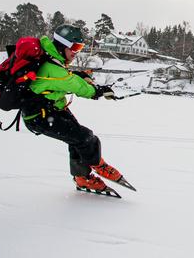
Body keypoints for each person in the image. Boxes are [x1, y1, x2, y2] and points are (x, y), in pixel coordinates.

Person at [21, 24, 129, 195]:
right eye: (74, 47)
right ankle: (97, 166)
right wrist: (99, 91)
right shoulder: (54, 69)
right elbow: (75, 85)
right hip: (40, 117)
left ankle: (82, 177)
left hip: (51, 109)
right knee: (86, 138)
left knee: (79, 139)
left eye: (80, 48)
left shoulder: (50, 57)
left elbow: (66, 77)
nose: (76, 52)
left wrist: (81, 75)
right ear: (62, 46)